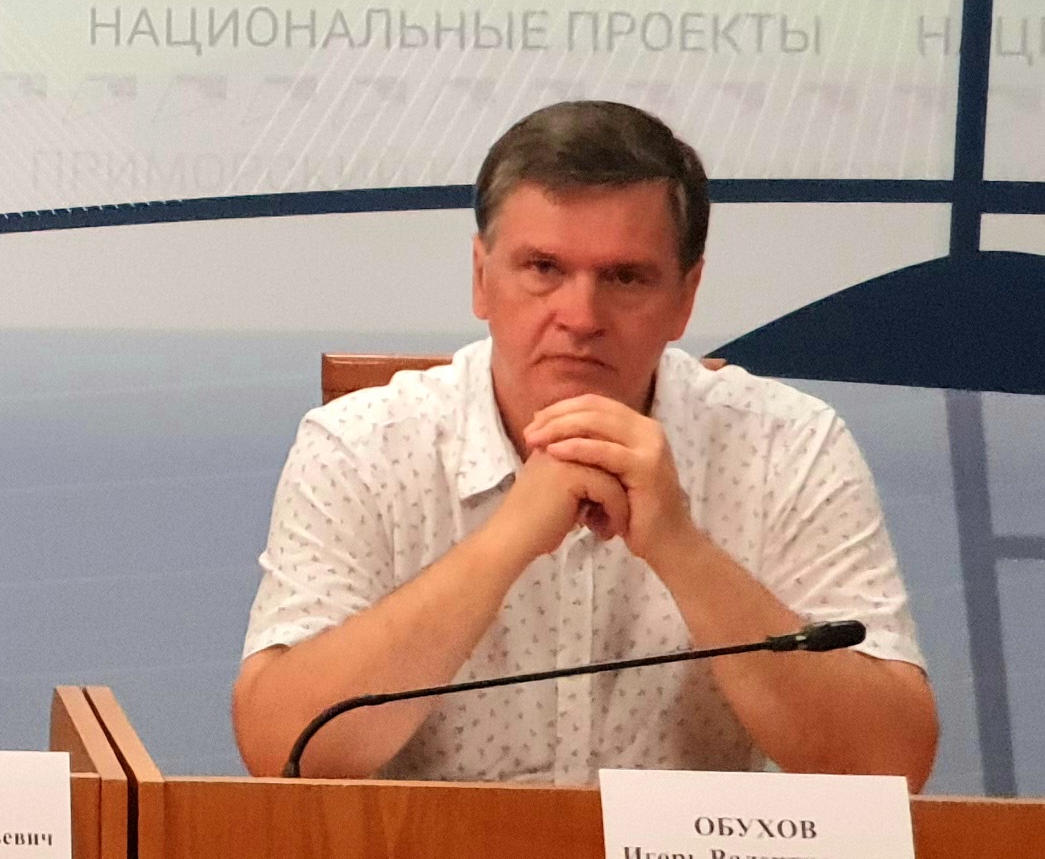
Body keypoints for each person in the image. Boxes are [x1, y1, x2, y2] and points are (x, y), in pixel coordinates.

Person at [232, 100, 937, 784]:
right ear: (481, 279)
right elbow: (282, 748)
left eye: (625, 277)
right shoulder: (361, 446)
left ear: (686, 297)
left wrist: (681, 547)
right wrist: (504, 542)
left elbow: (890, 765)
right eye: (543, 269)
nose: (580, 316)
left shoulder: (789, 446)